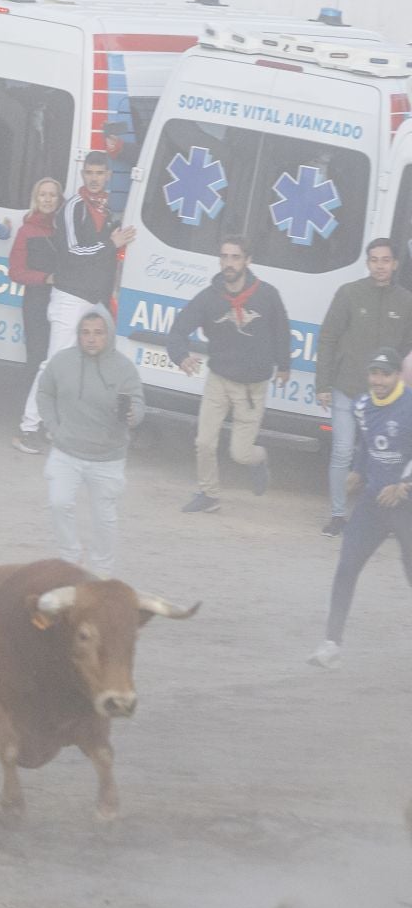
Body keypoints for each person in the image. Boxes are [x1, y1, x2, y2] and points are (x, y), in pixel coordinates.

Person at [18, 151, 132, 454]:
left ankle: (54, 427)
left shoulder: (107, 210)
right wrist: (110, 243)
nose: (94, 179)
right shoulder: (73, 207)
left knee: (79, 368)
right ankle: (28, 428)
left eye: (99, 173)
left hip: (93, 300)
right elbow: (73, 251)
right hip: (70, 297)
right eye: (89, 173)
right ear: (82, 175)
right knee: (53, 364)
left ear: (108, 175)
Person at [168, 237, 291, 513]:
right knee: (204, 442)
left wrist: (284, 365)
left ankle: (259, 459)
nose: (229, 263)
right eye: (224, 257)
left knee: (241, 453)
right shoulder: (209, 298)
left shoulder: (267, 295)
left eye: (235, 257)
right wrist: (181, 356)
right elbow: (178, 329)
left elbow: (282, 331)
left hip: (251, 387)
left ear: (248, 260)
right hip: (219, 379)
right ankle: (209, 494)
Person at [307, 351, 412, 669]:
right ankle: (331, 645)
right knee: (347, 567)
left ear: (398, 376)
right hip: (374, 503)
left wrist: (404, 485)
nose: (378, 380)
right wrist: (358, 470)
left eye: (385, 374)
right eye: (373, 373)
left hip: (407, 506)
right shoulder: (363, 405)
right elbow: (367, 443)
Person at [34, 308, 144, 577]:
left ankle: (102, 571)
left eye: (98, 333)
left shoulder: (124, 368)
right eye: (85, 333)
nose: (91, 339)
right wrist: (54, 427)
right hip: (66, 450)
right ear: (78, 335)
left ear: (109, 335)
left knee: (104, 517)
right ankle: (70, 558)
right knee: (58, 503)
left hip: (108, 456)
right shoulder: (62, 361)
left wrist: (134, 415)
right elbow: (44, 392)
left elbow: (138, 402)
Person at [315, 238, 412, 536]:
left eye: (385, 260)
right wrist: (322, 384)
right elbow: (328, 338)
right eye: (374, 260)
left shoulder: (407, 301)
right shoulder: (349, 293)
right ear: (368, 263)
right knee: (343, 452)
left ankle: (382, 518)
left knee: (386, 456)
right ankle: (338, 515)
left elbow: (408, 348)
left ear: (395, 264)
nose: (380, 266)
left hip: (385, 398)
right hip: (347, 387)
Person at [8, 177, 63, 394]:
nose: (47, 199)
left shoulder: (65, 228)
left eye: (52, 195)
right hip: (37, 301)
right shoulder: (26, 230)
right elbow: (15, 272)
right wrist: (45, 278)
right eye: (43, 194)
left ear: (59, 199)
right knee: (37, 356)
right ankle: (28, 407)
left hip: (63, 300)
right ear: (36, 198)